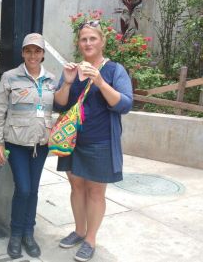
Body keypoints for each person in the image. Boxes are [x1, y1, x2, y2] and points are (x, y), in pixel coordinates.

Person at [54, 20, 133, 262]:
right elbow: (58, 104)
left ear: (102, 41)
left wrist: (100, 82)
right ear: (79, 43)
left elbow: (125, 104)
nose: (88, 43)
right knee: (76, 186)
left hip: (100, 142)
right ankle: (79, 231)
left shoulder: (114, 70)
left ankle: (90, 239)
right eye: (83, 39)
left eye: (92, 39)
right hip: (72, 141)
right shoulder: (72, 69)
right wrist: (67, 81)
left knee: (96, 192)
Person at [0, 33, 57, 259]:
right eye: (28, 50)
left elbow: (54, 110)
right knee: (24, 189)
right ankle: (16, 233)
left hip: (41, 144)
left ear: (42, 55)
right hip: (17, 143)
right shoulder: (10, 77)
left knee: (34, 190)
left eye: (37, 51)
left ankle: (29, 233)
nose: (32, 55)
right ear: (22, 53)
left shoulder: (51, 79)